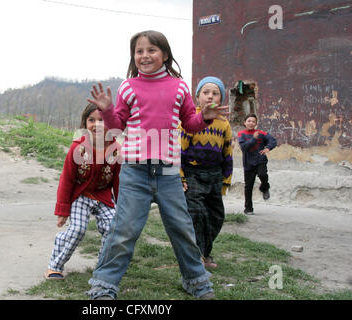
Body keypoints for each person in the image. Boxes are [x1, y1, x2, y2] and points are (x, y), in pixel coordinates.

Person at [86, 30, 229, 300]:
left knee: (182, 229)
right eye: (139, 51)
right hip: (134, 172)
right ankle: (103, 285)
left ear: (164, 54)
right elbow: (117, 125)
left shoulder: (179, 87)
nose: (144, 55)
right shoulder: (128, 87)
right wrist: (106, 110)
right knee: (124, 231)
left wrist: (206, 117)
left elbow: (190, 123)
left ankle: (197, 282)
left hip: (168, 174)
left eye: (151, 50)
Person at [44, 103, 121, 279]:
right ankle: (55, 266)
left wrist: (121, 208)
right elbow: (67, 180)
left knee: (113, 229)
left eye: (102, 120)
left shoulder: (116, 150)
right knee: (78, 229)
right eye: (91, 120)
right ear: (85, 123)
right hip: (81, 195)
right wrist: (62, 211)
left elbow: (118, 181)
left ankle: (103, 268)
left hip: (103, 196)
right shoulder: (77, 148)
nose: (97, 124)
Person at [180, 76, 233, 269]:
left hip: (214, 176)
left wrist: (226, 180)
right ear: (197, 97)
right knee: (197, 214)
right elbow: (180, 151)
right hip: (193, 174)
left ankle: (205, 251)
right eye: (205, 92)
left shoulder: (224, 124)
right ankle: (198, 256)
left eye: (215, 93)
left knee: (215, 216)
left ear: (221, 99)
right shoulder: (191, 119)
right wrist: (180, 176)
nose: (210, 96)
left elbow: (227, 153)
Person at [238, 113, 277, 215]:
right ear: (244, 123)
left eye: (253, 121)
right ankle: (248, 208)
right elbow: (244, 147)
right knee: (248, 186)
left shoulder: (261, 133)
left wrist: (268, 147)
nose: (251, 123)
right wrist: (253, 139)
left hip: (260, 160)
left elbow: (272, 140)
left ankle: (264, 188)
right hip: (248, 163)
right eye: (249, 121)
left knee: (263, 175)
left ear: (256, 123)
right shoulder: (241, 134)